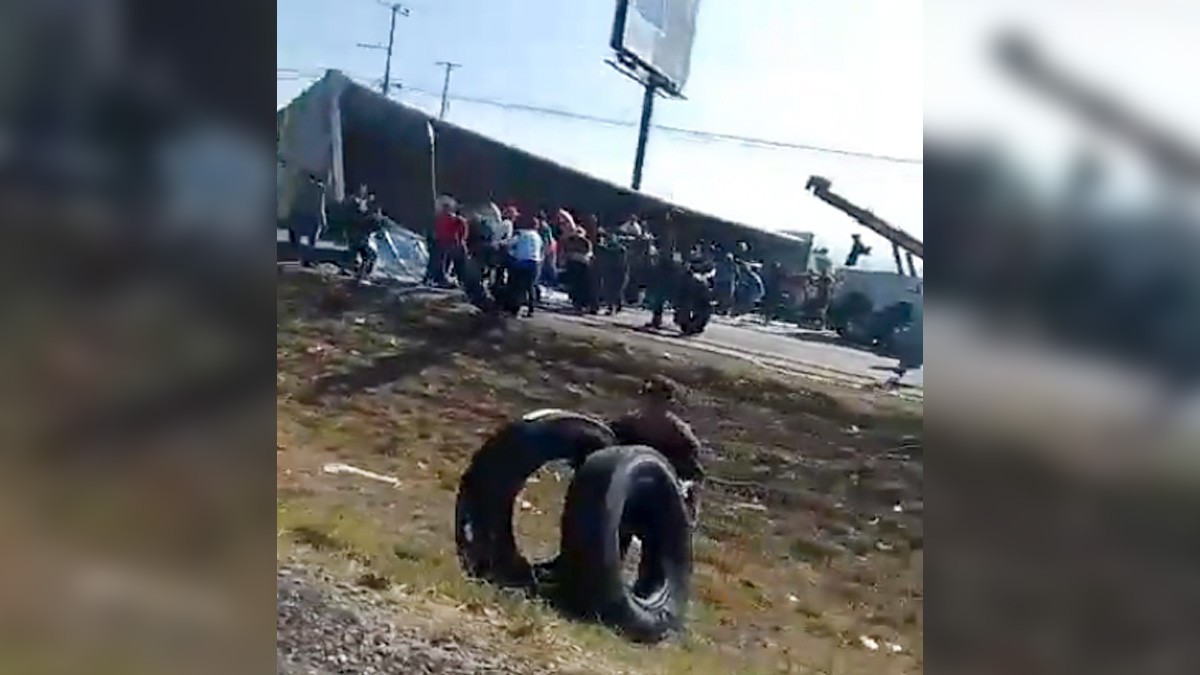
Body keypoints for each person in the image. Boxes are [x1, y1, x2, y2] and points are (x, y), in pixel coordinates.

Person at [609, 375, 705, 489]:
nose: (651, 404)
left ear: (668, 404)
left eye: (657, 401)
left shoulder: (681, 437)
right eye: (649, 399)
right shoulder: (625, 425)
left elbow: (692, 478)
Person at [506, 219, 543, 317]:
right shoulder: (538, 237)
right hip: (535, 263)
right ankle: (531, 309)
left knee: (517, 286)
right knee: (530, 287)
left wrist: (512, 253)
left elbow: (509, 244)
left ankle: (515, 308)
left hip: (521, 262)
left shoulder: (521, 234)